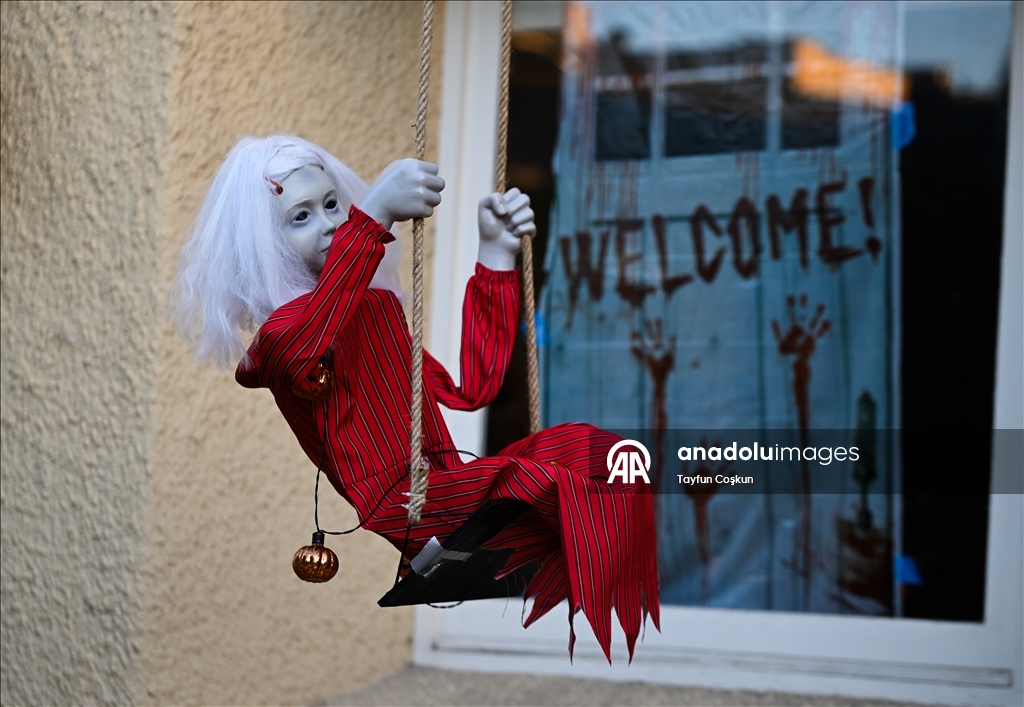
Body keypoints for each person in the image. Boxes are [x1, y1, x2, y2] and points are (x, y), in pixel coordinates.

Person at [172, 135, 659, 661]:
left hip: (447, 481)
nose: (330, 223)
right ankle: (588, 589)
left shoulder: (374, 312)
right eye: (300, 217)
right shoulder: (283, 337)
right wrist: (374, 214)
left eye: (333, 204)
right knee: (532, 482)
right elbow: (307, 340)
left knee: (596, 450)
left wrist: (495, 254)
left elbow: (469, 390)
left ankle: (605, 566)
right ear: (263, 244)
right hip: (403, 503)